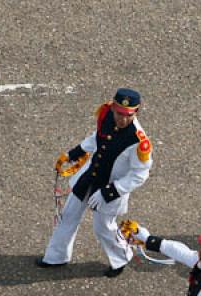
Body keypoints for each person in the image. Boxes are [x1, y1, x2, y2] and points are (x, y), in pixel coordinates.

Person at [36, 88, 153, 277]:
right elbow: (97, 137)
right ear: (113, 107)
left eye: (127, 115)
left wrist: (110, 192)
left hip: (110, 187)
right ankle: (56, 256)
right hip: (90, 176)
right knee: (68, 215)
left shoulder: (139, 141)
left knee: (103, 227)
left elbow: (140, 174)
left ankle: (122, 257)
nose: (122, 119)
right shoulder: (106, 114)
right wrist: (75, 153)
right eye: (119, 113)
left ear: (136, 112)